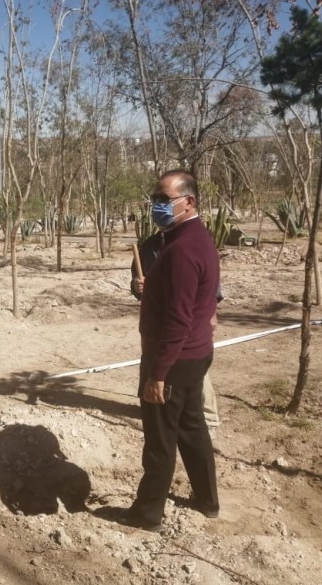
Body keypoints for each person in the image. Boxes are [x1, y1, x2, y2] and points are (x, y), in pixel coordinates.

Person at [119, 169, 220, 531]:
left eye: (165, 199)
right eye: (155, 199)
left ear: (188, 201)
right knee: (192, 428)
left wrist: (158, 373)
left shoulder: (181, 250)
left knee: (160, 441)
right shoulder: (196, 238)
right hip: (195, 354)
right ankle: (207, 500)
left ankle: (146, 514)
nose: (157, 206)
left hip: (173, 359)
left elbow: (178, 319)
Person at [131, 234, 222, 432]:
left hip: (188, 318)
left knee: (191, 368)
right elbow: (138, 283)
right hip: (156, 320)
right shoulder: (149, 246)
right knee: (158, 365)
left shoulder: (193, 242)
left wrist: (212, 313)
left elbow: (210, 283)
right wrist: (137, 285)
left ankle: (208, 417)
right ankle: (160, 408)